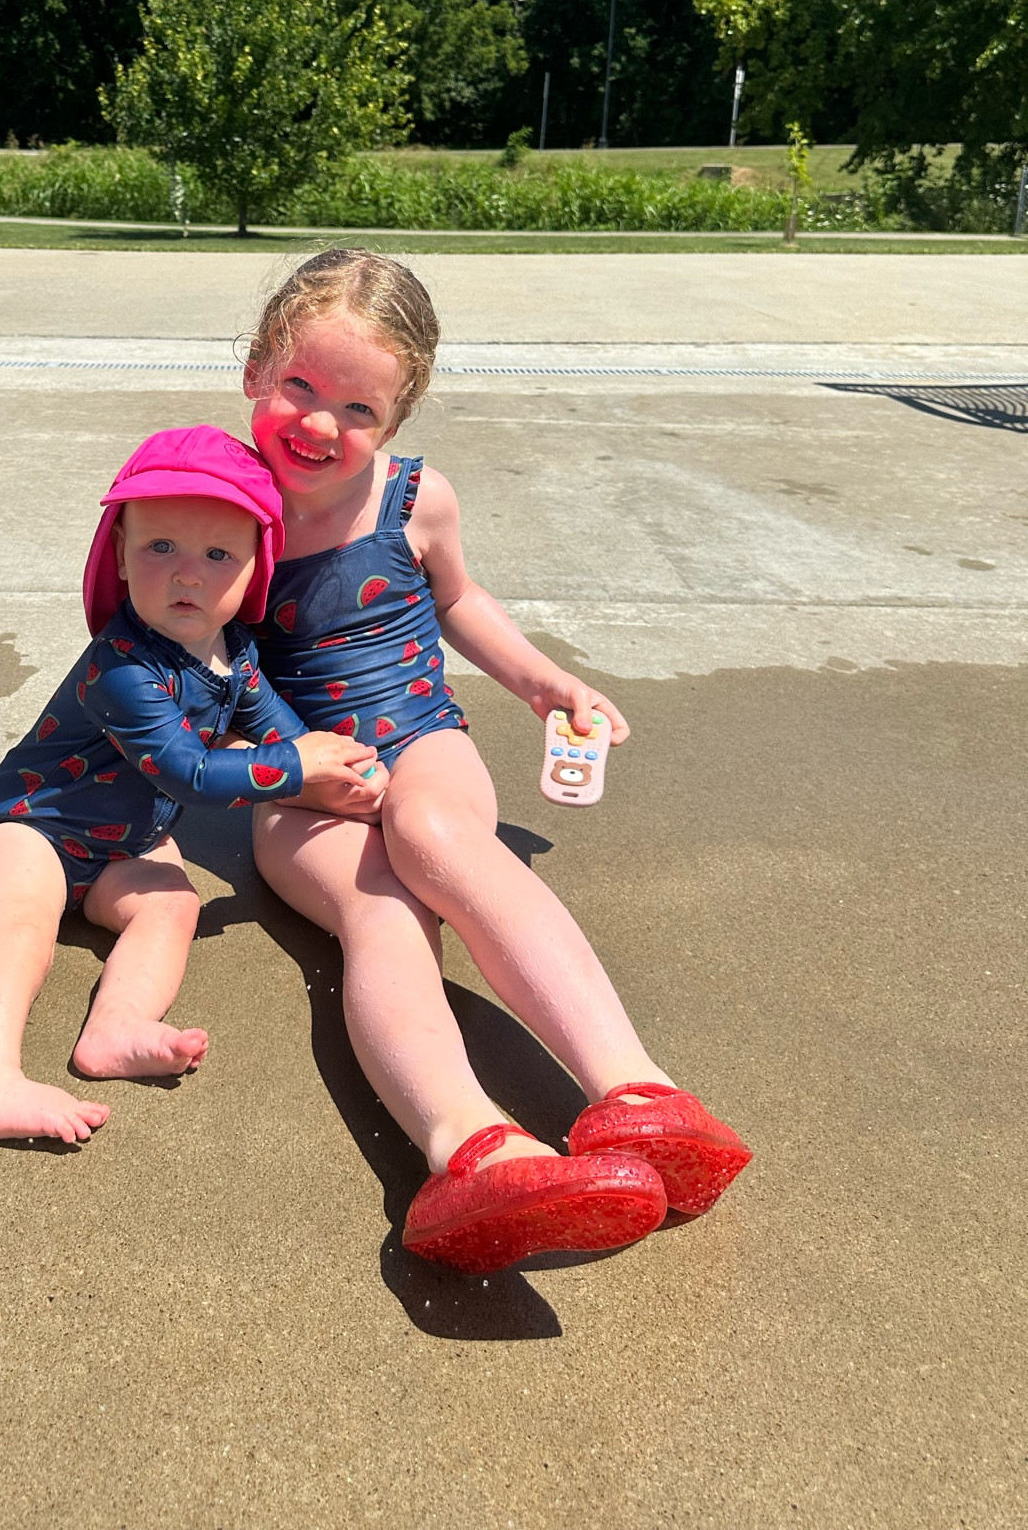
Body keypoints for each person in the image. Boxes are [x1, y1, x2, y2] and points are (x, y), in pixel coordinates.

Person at [244, 250, 751, 1274]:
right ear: (255, 366)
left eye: (357, 407)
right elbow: (189, 652)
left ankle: (635, 1090)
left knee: (435, 836)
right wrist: (291, 762)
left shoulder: (417, 500)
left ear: (396, 419)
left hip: (420, 735)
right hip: (292, 777)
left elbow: (460, 602)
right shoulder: (226, 507)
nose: (319, 422)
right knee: (381, 908)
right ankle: (473, 1148)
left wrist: (547, 684)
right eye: (299, 385)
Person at [0, 424, 381, 1147]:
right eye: (161, 548)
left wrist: (354, 777)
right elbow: (189, 772)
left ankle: (116, 1027)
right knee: (22, 932)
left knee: (173, 904)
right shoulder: (121, 667)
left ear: (254, 570)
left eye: (218, 554)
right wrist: (301, 770)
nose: (188, 574)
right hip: (33, 829)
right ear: (119, 555)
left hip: (129, 844)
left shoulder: (233, 654)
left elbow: (285, 738)